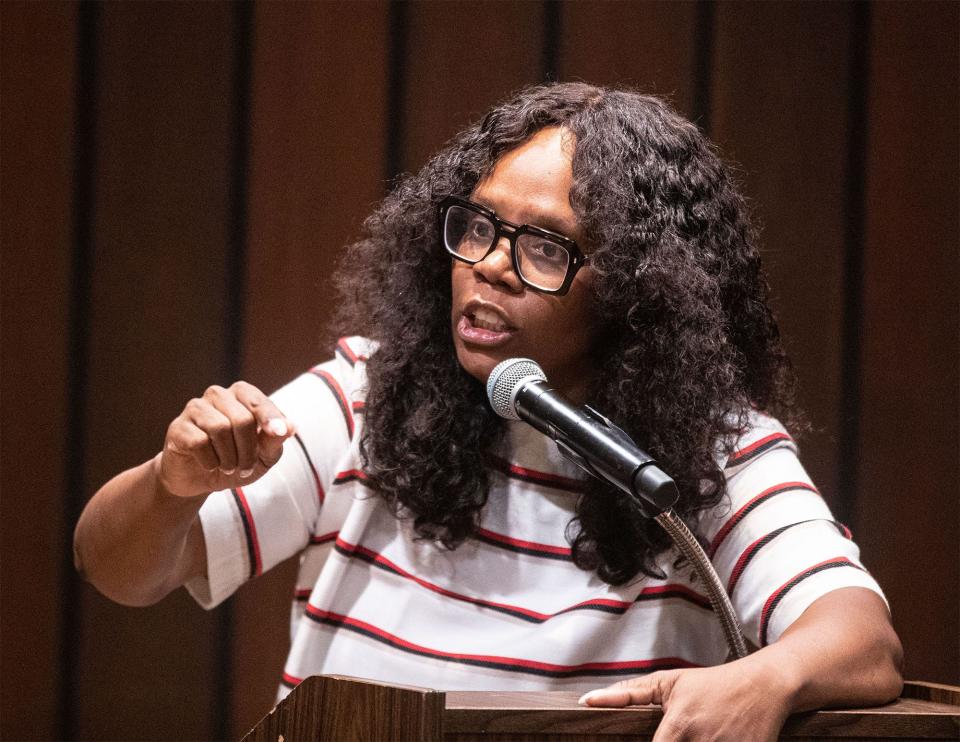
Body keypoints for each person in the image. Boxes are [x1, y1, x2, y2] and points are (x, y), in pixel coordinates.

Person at [74, 83, 902, 740]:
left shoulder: (712, 457)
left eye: (544, 246)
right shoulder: (366, 394)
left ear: (639, 291)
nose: (489, 269)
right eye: (478, 227)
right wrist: (172, 484)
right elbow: (115, 569)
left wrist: (767, 678)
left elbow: (861, 640)